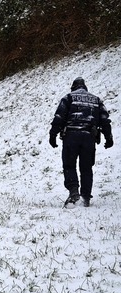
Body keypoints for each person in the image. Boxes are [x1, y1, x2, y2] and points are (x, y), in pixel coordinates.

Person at [49, 77, 113, 207]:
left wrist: (53, 134)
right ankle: (85, 197)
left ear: (73, 87)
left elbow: (59, 117)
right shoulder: (96, 100)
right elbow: (105, 120)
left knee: (69, 165)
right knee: (86, 168)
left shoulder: (68, 98)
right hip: (89, 137)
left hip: (71, 136)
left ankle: (74, 193)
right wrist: (109, 138)